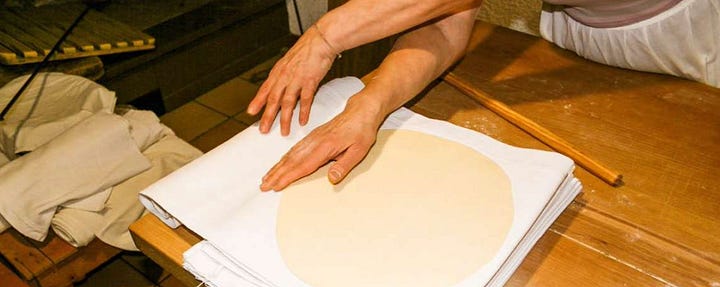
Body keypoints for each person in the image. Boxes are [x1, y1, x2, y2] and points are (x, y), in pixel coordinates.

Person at [249, 0, 718, 192]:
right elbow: (443, 28)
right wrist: (369, 104)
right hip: (580, 36)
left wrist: (326, 37)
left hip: (684, 32)